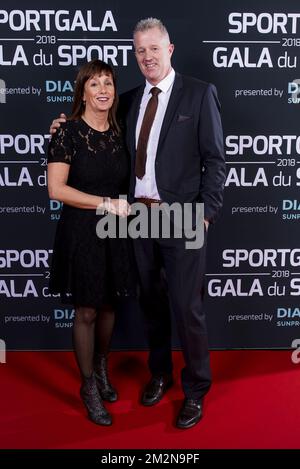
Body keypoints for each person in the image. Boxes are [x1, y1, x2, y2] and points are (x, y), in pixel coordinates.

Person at [50, 17, 226, 430]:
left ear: (170, 50)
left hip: (182, 216)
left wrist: (205, 212)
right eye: (139, 51)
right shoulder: (126, 100)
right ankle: (161, 373)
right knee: (151, 304)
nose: (147, 57)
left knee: (188, 309)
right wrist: (62, 125)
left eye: (153, 49)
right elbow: (90, 126)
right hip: (136, 217)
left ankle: (196, 389)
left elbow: (216, 161)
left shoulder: (200, 95)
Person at [47, 59, 134, 426]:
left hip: (114, 232)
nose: (103, 90)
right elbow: (56, 190)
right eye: (94, 83)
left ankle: (101, 368)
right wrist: (105, 204)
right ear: (82, 91)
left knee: (110, 304)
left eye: (108, 83)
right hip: (82, 229)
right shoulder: (66, 132)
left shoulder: (119, 130)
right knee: (86, 311)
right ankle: (88, 387)